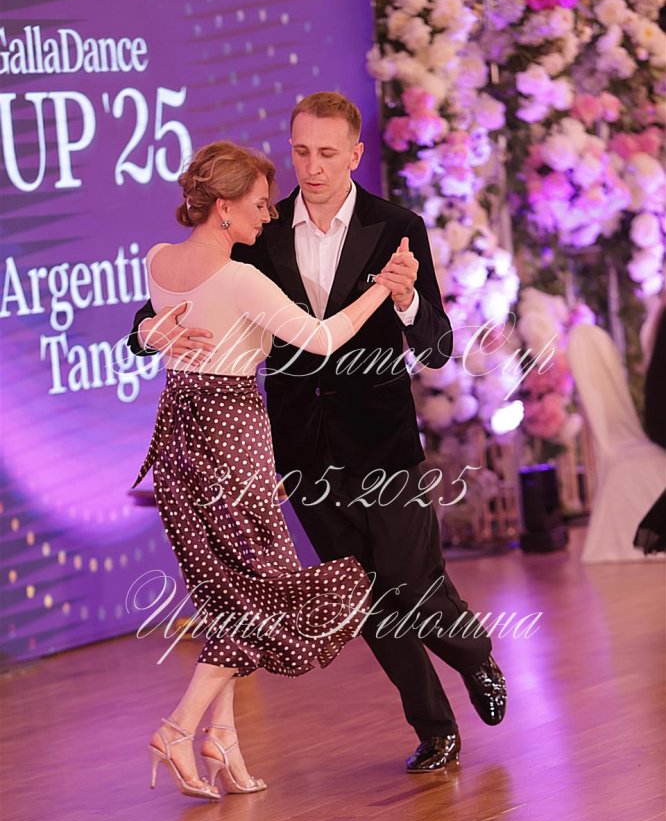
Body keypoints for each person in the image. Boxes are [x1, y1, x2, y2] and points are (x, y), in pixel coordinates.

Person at [129, 92, 507, 775]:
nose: (313, 166)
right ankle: (434, 728)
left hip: (383, 442)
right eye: (301, 151)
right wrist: (147, 331)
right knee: (363, 596)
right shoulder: (262, 229)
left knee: (412, 581)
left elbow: (438, 345)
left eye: (327, 153)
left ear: (355, 154)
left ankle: (474, 654)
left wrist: (404, 297)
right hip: (300, 449)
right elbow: (172, 296)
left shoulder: (398, 227)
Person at [135, 139, 399, 800]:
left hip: (178, 440)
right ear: (223, 207)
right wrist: (382, 290)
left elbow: (155, 326)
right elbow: (324, 338)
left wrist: (147, 334)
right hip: (232, 436)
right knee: (269, 592)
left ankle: (222, 738)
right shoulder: (239, 279)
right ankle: (178, 727)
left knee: (228, 593)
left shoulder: (158, 260)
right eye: (258, 204)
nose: (269, 215)